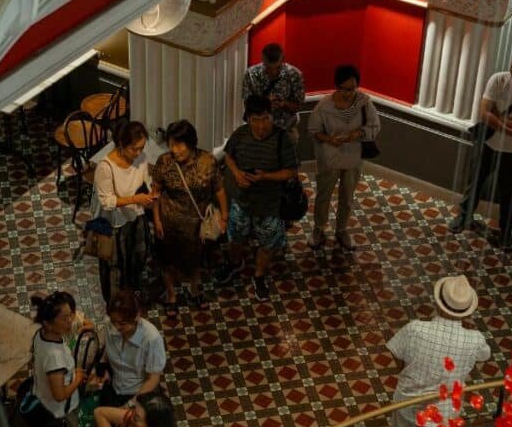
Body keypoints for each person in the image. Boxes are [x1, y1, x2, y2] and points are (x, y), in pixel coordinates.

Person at [449, 50, 512, 249]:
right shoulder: (497, 80)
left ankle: (506, 231)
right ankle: (465, 215)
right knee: (475, 181)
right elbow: (484, 113)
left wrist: (497, 118)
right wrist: (508, 124)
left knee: (509, 192)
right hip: (488, 143)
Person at [385, 275, 490, 427]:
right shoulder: (474, 339)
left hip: (408, 405)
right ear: (467, 311)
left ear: (438, 303)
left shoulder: (415, 329)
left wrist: (405, 369)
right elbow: (485, 355)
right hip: (445, 414)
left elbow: (395, 351)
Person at [216, 95, 299, 301]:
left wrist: (265, 176)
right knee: (236, 236)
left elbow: (290, 171)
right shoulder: (240, 135)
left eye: (265, 119)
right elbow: (228, 156)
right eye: (256, 120)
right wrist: (236, 174)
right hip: (242, 200)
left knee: (267, 242)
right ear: (248, 119)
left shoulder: (282, 139)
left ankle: (259, 275)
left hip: (269, 203)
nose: (261, 125)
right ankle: (235, 263)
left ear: (271, 116)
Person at [152, 120, 229, 316]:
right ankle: (171, 295)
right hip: (169, 222)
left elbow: (219, 189)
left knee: (196, 260)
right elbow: (156, 193)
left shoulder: (208, 161)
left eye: (179, 144)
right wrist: (157, 220)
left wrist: (224, 216)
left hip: (197, 225)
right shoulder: (164, 162)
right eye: (170, 144)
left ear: (191, 143)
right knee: (167, 260)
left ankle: (195, 290)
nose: (174, 150)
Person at [307, 65, 381, 250]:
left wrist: (357, 135)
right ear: (337, 86)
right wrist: (329, 139)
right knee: (324, 194)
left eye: (352, 88)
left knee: (347, 196)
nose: (348, 93)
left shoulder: (364, 104)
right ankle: (319, 228)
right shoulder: (324, 106)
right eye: (344, 88)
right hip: (330, 157)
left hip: (353, 157)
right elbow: (314, 130)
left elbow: (374, 126)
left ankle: (342, 229)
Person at [92, 120, 156, 303]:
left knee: (137, 257)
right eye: (133, 149)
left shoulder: (141, 158)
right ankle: (115, 303)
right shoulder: (106, 167)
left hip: (136, 217)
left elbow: (145, 183)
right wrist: (135, 200)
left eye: (141, 148)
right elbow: (107, 202)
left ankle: (132, 292)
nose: (138, 153)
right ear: (121, 144)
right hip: (113, 224)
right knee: (114, 266)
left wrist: (150, 197)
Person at [30, 291, 86, 427]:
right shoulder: (55, 357)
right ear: (48, 322)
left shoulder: (41, 335)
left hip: (42, 401)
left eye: (70, 314)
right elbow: (60, 394)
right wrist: (78, 379)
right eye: (64, 318)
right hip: (59, 413)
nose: (70, 321)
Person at [93, 291, 167, 408]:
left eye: (122, 323)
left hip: (138, 393)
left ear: (137, 316)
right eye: (113, 322)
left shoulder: (151, 339)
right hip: (115, 386)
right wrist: (104, 369)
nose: (116, 327)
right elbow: (108, 350)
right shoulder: (110, 325)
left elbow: (153, 379)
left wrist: (131, 404)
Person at [241, 43, 306, 143]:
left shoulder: (294, 74)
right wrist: (265, 104)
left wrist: (284, 104)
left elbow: (298, 106)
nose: (273, 71)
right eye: (268, 68)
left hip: (285, 130)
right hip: (258, 129)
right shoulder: (251, 74)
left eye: (277, 67)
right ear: (263, 59)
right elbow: (247, 105)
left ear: (282, 60)